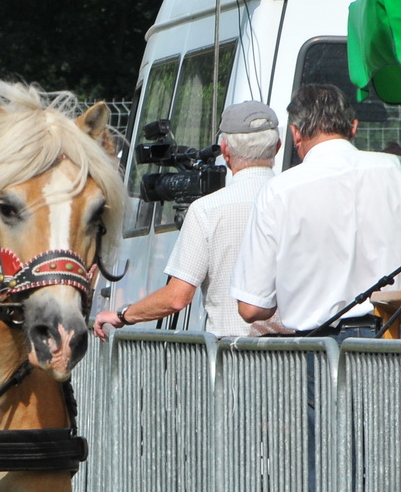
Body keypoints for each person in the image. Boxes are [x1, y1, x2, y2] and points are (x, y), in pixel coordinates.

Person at [232, 83, 401, 337]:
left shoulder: (278, 191)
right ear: (353, 127)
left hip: (322, 346)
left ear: (295, 133)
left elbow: (251, 308)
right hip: (400, 338)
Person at [95, 101, 281, 338]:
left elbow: (176, 298)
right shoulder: (300, 200)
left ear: (225, 150)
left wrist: (122, 315)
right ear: (277, 147)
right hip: (304, 351)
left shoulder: (207, 209)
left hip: (233, 355)